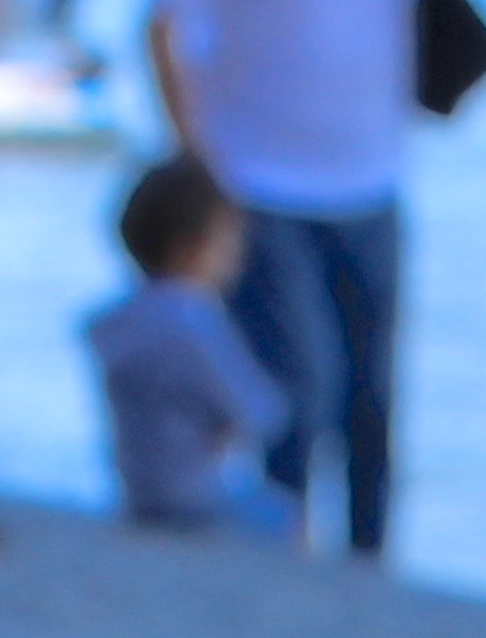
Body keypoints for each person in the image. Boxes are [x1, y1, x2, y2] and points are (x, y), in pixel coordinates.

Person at [144, 0, 403, 556]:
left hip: (373, 178)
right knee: (297, 397)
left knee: (373, 404)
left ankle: (372, 572)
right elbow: (162, 27)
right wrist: (196, 168)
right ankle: (287, 564)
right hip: (255, 179)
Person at [83, 156, 292, 536]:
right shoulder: (193, 321)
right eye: (228, 242)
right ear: (190, 248)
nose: (238, 256)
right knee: (286, 516)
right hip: (197, 500)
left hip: (138, 494)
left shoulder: (116, 322)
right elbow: (258, 413)